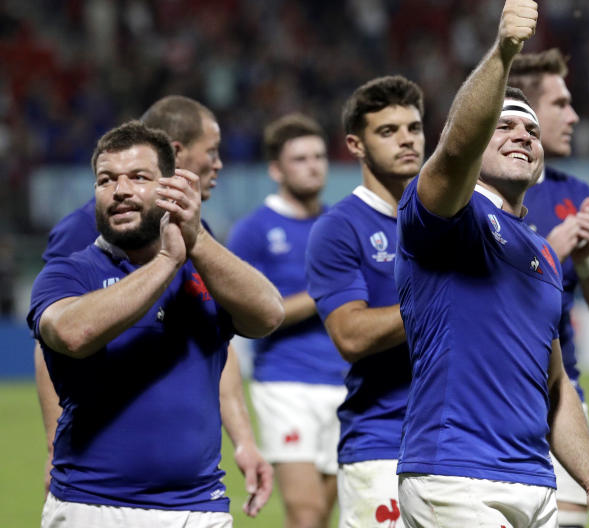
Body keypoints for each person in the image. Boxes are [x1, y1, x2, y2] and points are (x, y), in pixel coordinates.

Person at [394, 0, 589, 528]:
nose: (522, 134)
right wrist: (502, 53)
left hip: (534, 480)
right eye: (504, 125)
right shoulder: (451, 214)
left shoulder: (544, 253)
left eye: (531, 129)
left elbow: (556, 385)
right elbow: (453, 149)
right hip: (454, 476)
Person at [27, 121, 285, 527]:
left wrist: (195, 239)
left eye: (138, 177)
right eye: (106, 180)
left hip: (199, 508)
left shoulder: (205, 269)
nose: (120, 190)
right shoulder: (68, 273)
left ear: (171, 186)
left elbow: (269, 313)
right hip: (92, 505)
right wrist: (166, 263)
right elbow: (71, 334)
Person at [508, 48, 589, 528]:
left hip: (559, 393)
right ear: (525, 112)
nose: (574, 116)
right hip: (483, 394)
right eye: (560, 104)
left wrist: (588, 264)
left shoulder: (577, 197)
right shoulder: (471, 191)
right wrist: (550, 253)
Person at [305, 75, 424, 528]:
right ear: (355, 145)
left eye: (414, 128)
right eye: (388, 131)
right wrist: (434, 299)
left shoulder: (448, 220)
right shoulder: (339, 228)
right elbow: (350, 335)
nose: (406, 140)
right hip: (382, 442)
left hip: (461, 443)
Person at [227, 113, 347, 528]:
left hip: (348, 383)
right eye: (300, 158)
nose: (313, 165)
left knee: (325, 515)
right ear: (276, 169)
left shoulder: (341, 226)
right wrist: (324, 293)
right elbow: (248, 315)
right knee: (306, 510)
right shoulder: (253, 231)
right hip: (286, 382)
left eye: (318, 156)